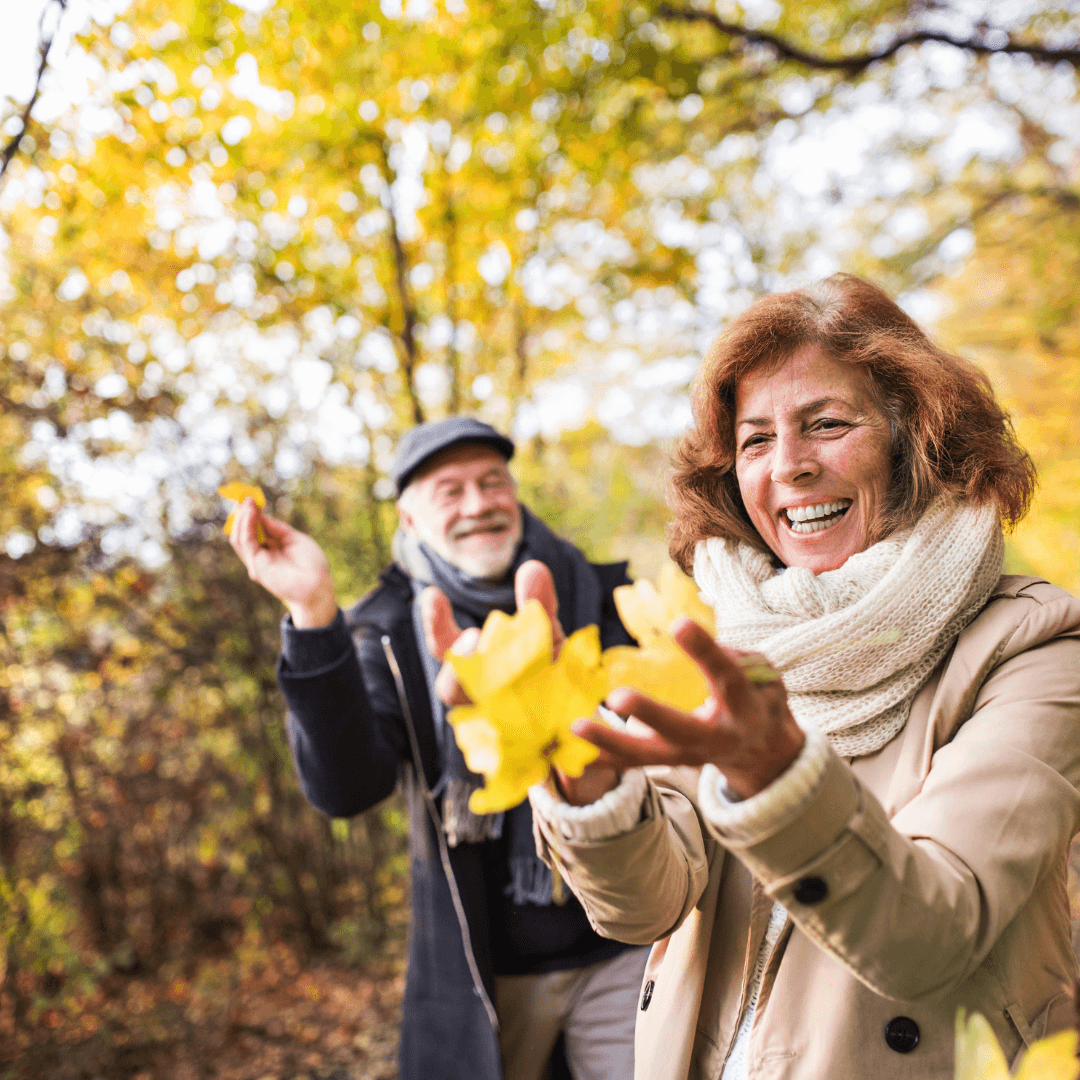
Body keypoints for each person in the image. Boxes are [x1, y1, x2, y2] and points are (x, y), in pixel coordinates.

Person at [428, 275, 1080, 1079]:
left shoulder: (1037, 644)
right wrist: (589, 785)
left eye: (828, 424)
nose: (790, 467)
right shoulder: (712, 633)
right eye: (755, 440)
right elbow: (643, 908)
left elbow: (933, 937)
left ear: (918, 441)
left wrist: (774, 776)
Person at [227, 416, 649, 1080]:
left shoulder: (598, 591)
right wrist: (313, 610)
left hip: (627, 947)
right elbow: (345, 789)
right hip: (486, 972)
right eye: (449, 491)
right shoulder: (386, 632)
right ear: (410, 518)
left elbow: (655, 748)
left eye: (491, 482)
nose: (478, 504)